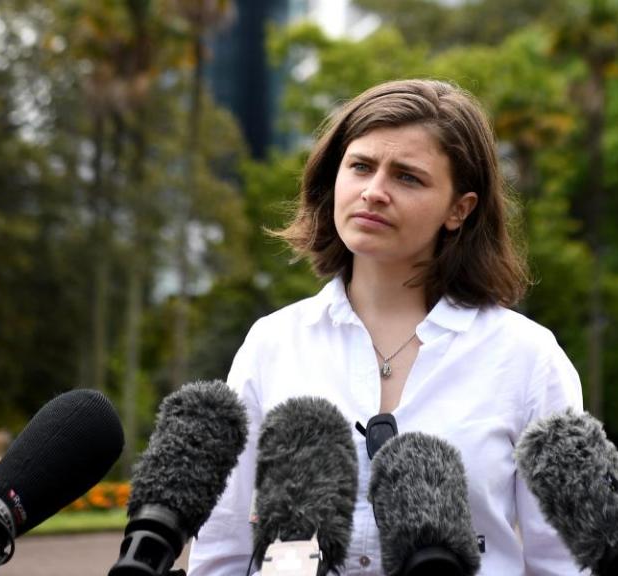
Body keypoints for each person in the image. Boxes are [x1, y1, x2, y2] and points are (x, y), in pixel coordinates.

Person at [188, 79, 584, 575]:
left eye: (408, 177)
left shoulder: (527, 358)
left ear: (459, 209)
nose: (374, 192)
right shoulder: (272, 345)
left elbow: (567, 562)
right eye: (360, 167)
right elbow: (220, 548)